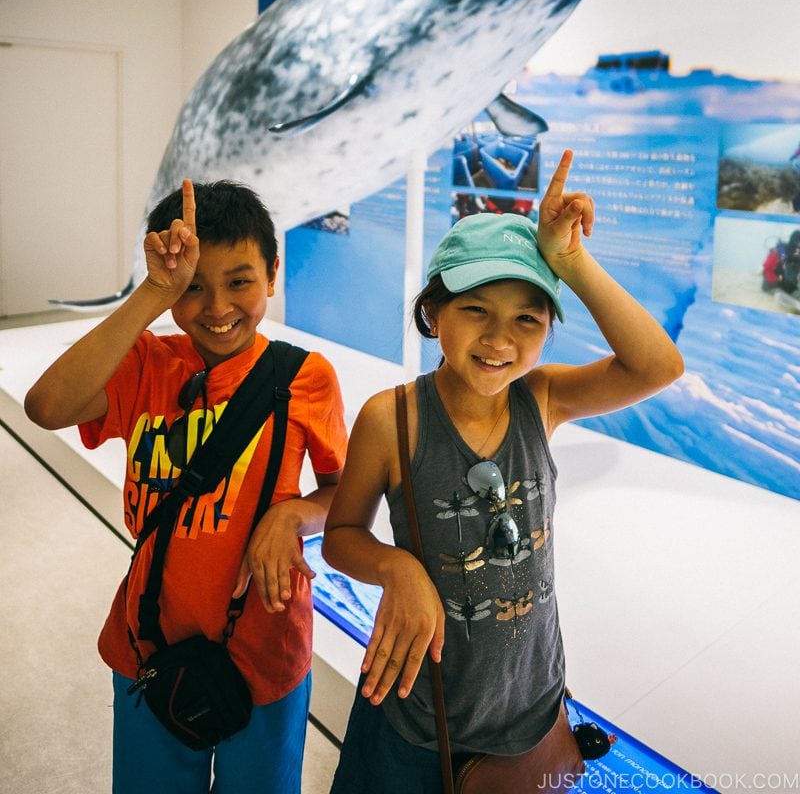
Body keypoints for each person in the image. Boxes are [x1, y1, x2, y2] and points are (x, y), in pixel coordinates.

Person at [323, 149, 684, 792]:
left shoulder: (541, 400)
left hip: (531, 704)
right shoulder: (394, 419)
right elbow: (342, 535)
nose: (500, 339)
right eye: (476, 310)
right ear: (434, 314)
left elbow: (658, 366)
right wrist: (396, 567)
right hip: (419, 709)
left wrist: (570, 261)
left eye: (527, 317)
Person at [25, 179, 347, 794]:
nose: (217, 305)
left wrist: (292, 517)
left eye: (240, 281)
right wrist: (152, 295)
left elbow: (342, 498)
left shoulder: (305, 379)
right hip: (149, 642)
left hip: (267, 649)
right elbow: (46, 405)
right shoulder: (146, 363)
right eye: (194, 286)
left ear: (274, 275)